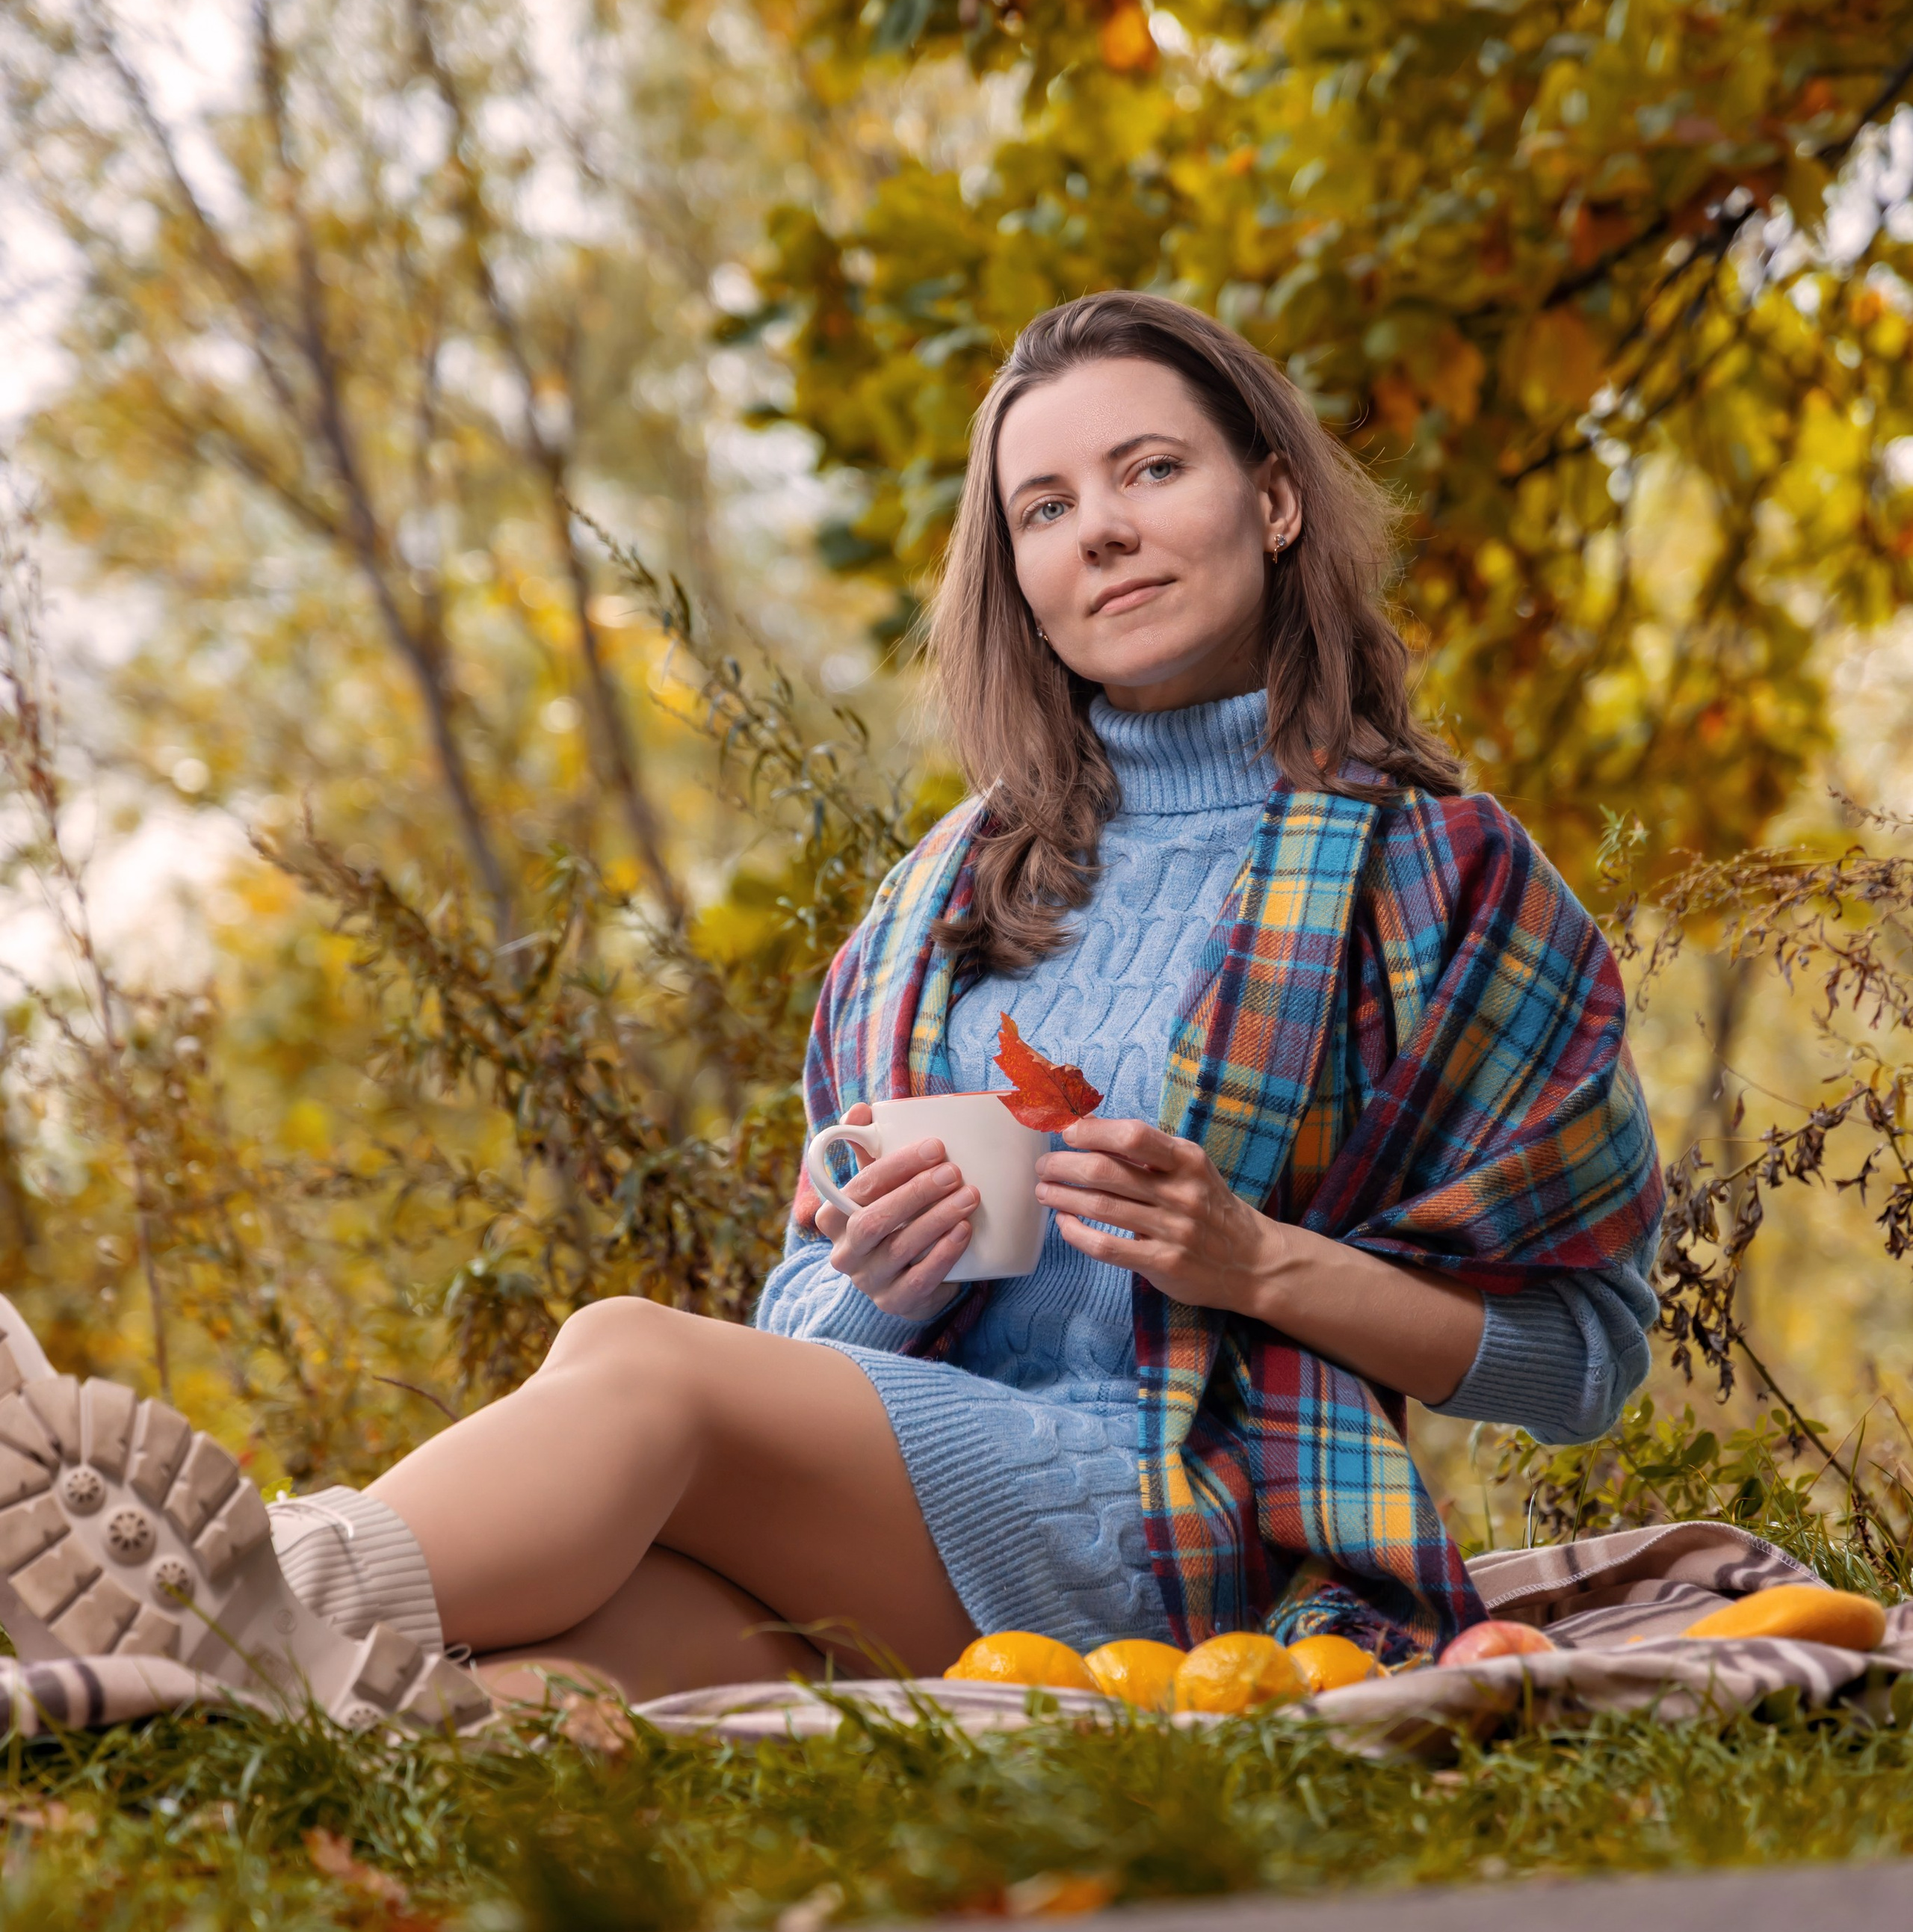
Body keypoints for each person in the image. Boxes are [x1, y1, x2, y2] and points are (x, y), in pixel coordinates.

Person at [0, 293, 1662, 1722]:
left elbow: (1577, 1366)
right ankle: (173, 1708)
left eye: (1149, 470)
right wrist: (881, 1274)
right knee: (569, 1659)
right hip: (925, 1516)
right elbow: (806, 1342)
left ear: (1274, 499)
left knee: (633, 1363)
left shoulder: (1434, 873)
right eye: (1043, 505)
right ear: (1014, 569)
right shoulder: (946, 894)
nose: (1099, 527)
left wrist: (1256, 1264)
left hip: (1192, 1524)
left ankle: (230, 1590)